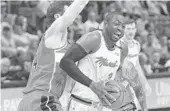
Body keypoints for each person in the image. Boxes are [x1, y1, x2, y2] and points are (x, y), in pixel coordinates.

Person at [60, 11, 147, 111]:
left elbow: (116, 78)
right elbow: (65, 62)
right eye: (116, 24)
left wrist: (122, 98)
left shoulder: (123, 48)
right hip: (81, 103)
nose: (120, 28)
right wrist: (92, 84)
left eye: (123, 26)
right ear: (105, 24)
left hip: (103, 106)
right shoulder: (94, 38)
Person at [17, 0, 89, 111]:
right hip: (42, 99)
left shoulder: (67, 47)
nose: (75, 17)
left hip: (34, 101)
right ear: (57, 16)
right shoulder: (52, 34)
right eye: (68, 11)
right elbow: (69, 16)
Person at [121, 19, 151, 110]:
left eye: (133, 28)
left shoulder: (137, 45)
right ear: (123, 29)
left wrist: (145, 83)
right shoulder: (118, 45)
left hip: (133, 84)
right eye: (128, 29)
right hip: (120, 84)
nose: (131, 31)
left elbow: (137, 66)